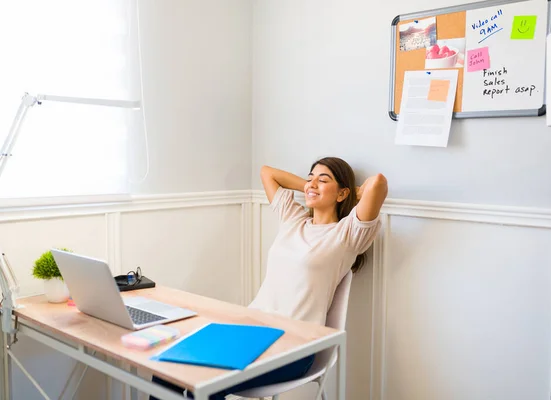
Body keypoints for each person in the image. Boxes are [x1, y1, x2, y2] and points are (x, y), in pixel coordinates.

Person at [150, 156, 388, 400]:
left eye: (323, 180)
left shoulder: (346, 234)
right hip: (251, 331)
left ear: (342, 194)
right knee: (167, 369)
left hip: (296, 346)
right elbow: (268, 173)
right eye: (310, 178)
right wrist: (311, 187)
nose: (312, 184)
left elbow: (378, 183)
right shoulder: (293, 219)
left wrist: (353, 193)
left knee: (207, 382)